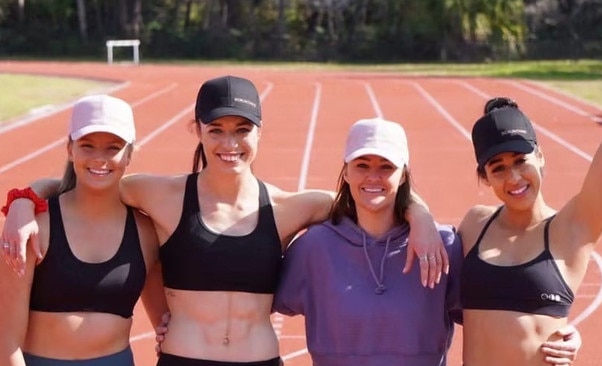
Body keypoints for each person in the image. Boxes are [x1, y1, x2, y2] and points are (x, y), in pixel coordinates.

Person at [1, 75, 447, 365]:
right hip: (183, 359)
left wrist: (420, 213)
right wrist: (24, 199)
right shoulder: (162, 194)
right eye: (216, 130)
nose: (229, 143)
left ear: (259, 132)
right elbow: (91, 178)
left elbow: (371, 191)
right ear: (197, 130)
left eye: (241, 130)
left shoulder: (291, 206)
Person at [270, 118, 581, 366]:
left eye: (386, 167)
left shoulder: (442, 246)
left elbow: (495, 310)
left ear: (404, 174)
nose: (373, 177)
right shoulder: (315, 248)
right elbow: (252, 305)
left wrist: (557, 330)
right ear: (346, 172)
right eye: (362, 165)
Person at [459, 4, 602, 364]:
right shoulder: (473, 225)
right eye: (497, 168)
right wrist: (420, 216)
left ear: (540, 156)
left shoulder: (573, 228)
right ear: (484, 176)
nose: (513, 177)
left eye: (521, 161)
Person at [0, 95, 166, 366]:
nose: (99, 159)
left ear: (130, 154)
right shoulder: (32, 227)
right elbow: (5, 343)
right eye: (87, 146)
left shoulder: (146, 232)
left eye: (112, 147)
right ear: (70, 149)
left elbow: (168, 323)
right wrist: (23, 200)